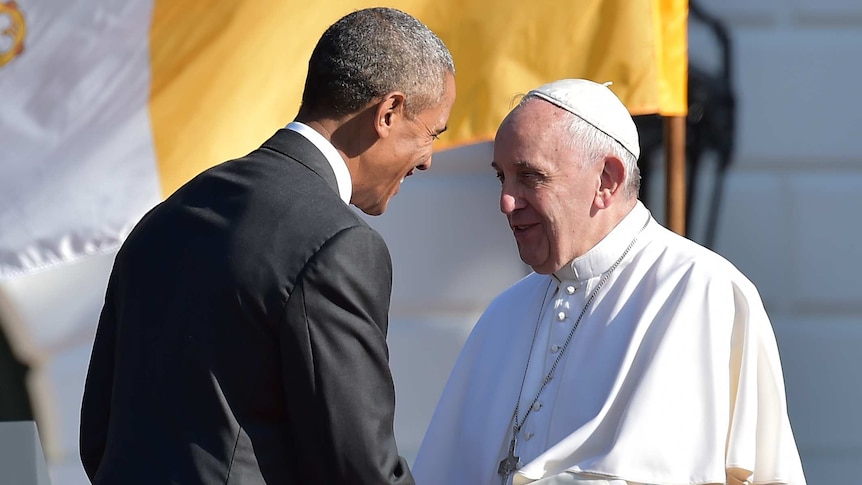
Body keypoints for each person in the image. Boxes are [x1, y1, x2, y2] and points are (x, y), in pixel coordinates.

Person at [79, 7, 455, 484]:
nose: (427, 161)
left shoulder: (163, 220)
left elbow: (99, 439)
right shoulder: (339, 244)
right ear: (387, 113)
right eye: (432, 134)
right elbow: (358, 468)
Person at [413, 79, 806, 485]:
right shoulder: (505, 312)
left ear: (607, 180)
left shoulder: (700, 291)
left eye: (530, 177)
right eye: (502, 179)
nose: (506, 202)